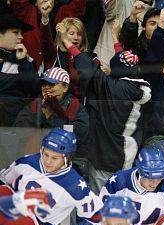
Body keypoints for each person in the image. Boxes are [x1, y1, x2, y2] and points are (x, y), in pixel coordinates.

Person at [59, 21, 152, 192]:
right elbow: (122, 63)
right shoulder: (138, 88)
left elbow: (89, 69)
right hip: (128, 154)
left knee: (103, 205)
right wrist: (115, 37)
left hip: (107, 159)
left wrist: (67, 43)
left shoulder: (110, 87)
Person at [0, 128, 102, 225]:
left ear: (67, 158)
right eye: (46, 154)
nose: (48, 161)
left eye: (54, 157)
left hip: (33, 224)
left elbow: (97, 214)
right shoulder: (28, 162)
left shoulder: (75, 185)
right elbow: (3, 181)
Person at [14, 67, 89, 146]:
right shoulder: (34, 105)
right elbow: (19, 130)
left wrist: (50, 117)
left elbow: (79, 135)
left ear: (65, 87)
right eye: (43, 83)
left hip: (65, 155)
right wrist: (41, 115)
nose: (46, 87)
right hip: (36, 152)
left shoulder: (76, 107)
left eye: (52, 84)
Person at [9, 0, 86, 69]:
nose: (46, 0)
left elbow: (78, 5)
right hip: (28, 66)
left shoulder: (63, 13)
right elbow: (18, 2)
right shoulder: (27, 12)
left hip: (57, 68)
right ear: (35, 2)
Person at [0, 14, 38, 125]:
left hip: (12, 125)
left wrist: (22, 62)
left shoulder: (25, 61)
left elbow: (35, 90)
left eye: (21, 33)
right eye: (16, 32)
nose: (21, 37)